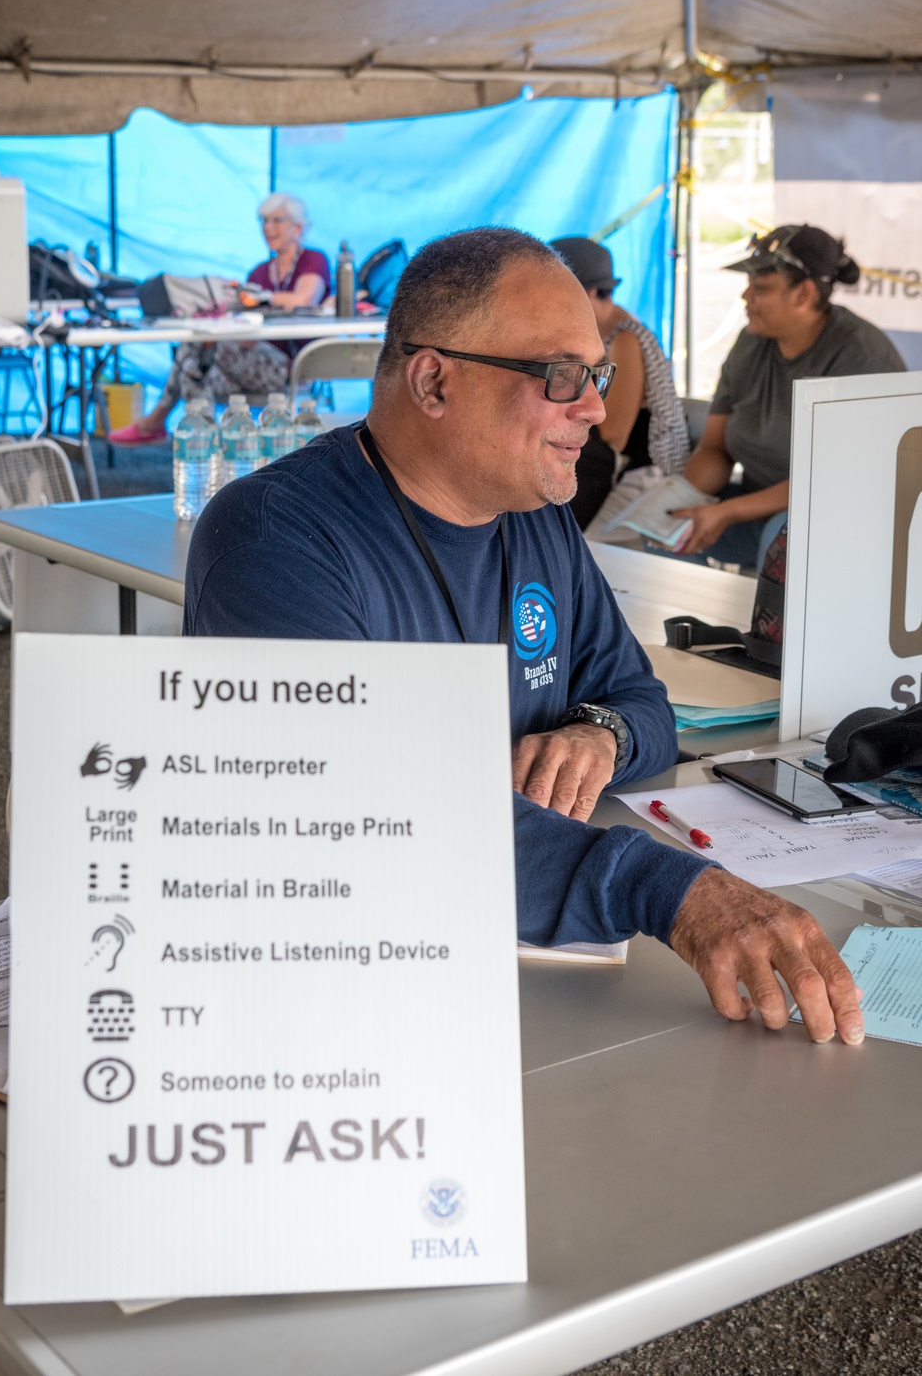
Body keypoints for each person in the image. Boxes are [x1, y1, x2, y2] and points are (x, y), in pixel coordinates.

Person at [184, 227, 863, 1047]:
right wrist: (668, 889)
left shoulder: (537, 520)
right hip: (349, 1012)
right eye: (561, 376)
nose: (596, 408)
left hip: (540, 985)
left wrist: (597, 736)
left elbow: (643, 705)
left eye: (598, 373)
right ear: (433, 381)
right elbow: (355, 822)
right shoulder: (275, 541)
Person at [671, 224, 905, 567]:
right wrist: (678, 504)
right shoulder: (751, 343)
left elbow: (832, 480)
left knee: (782, 540)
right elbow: (714, 448)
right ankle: (694, 622)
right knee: (669, 530)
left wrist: (727, 511)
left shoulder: (862, 357)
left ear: (804, 294)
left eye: (761, 287)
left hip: (847, 521)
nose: (746, 296)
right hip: (757, 509)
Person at [111, 193, 331, 444]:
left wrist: (263, 298)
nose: (267, 228)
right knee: (193, 370)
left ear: (298, 227)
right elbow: (245, 314)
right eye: (263, 220)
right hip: (251, 360)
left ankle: (178, 430)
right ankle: (206, 441)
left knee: (193, 347)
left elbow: (304, 299)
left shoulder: (313, 259)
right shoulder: (259, 271)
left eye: (276, 220)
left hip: (293, 368)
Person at [549, 237, 689, 529]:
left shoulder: (624, 338)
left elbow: (614, 436)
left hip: (643, 473)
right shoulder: (597, 331)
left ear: (587, 292)